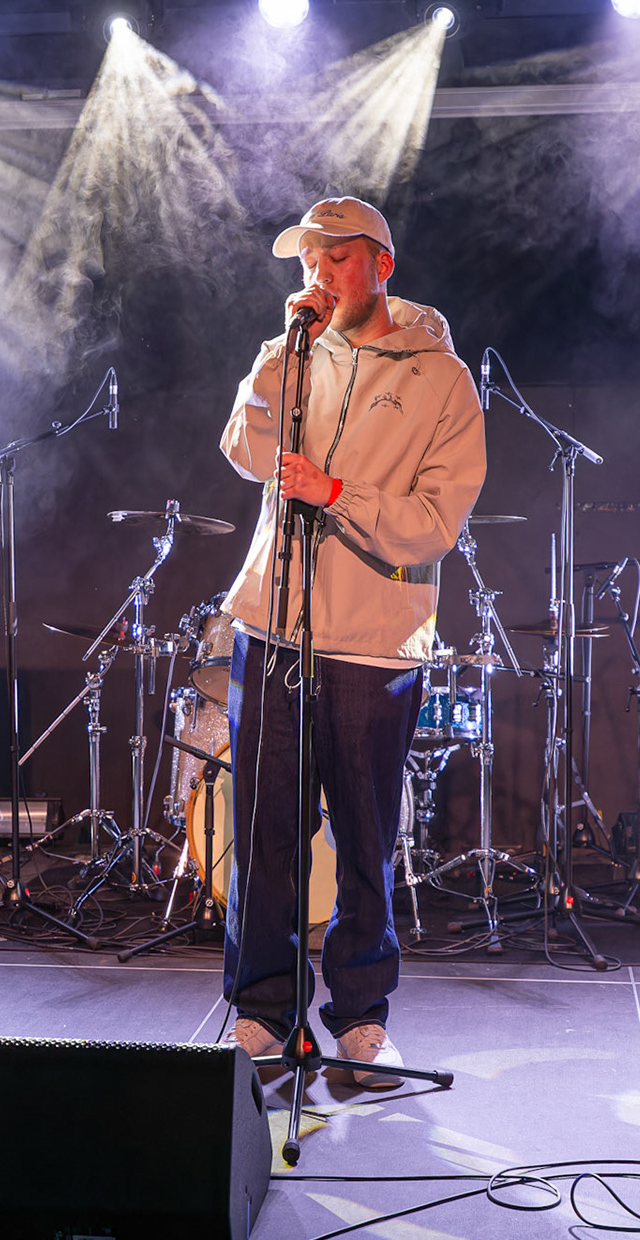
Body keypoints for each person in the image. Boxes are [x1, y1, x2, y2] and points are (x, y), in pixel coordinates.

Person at [216, 196, 486, 1088]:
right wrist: (275, 359)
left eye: (336, 259)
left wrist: (337, 494)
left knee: (365, 840)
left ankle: (362, 1020)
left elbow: (435, 524)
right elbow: (244, 451)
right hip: (273, 626)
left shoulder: (442, 379)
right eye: (309, 262)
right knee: (266, 837)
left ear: (381, 265)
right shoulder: (292, 354)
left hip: (375, 641)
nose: (319, 276)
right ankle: (262, 1013)